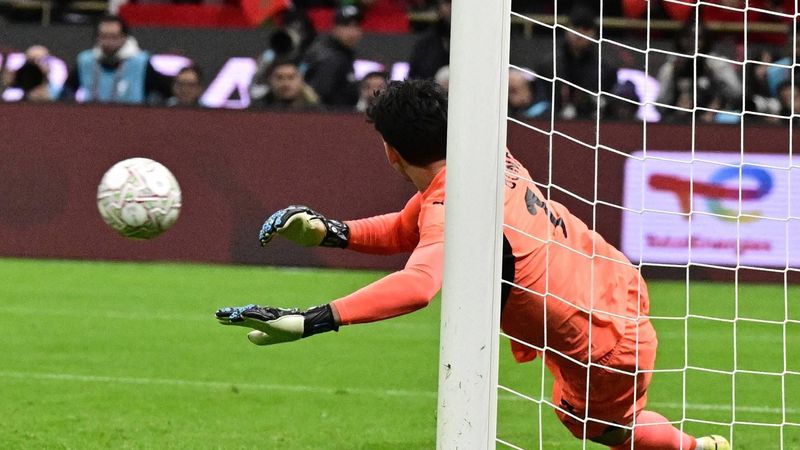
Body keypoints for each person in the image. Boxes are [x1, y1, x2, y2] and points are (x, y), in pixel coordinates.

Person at [215, 79, 730, 450]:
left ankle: (696, 449)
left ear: (390, 154)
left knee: (599, 428)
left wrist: (311, 321)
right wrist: (331, 232)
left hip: (604, 342)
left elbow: (419, 285)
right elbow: (404, 229)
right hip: (608, 280)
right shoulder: (483, 152)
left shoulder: (450, 204)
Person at [61, 15, 172, 104]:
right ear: (97, 38)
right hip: (92, 120)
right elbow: (66, 93)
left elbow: (166, 92)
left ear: (124, 37)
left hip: (132, 122)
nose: (108, 42)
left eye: (114, 37)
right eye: (104, 36)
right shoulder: (85, 61)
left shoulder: (141, 62)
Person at [301, 5, 363, 107]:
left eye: (356, 26)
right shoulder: (328, 56)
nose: (352, 32)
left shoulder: (345, 53)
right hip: (329, 118)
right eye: (346, 25)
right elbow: (319, 95)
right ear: (334, 28)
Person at [253, 58, 321, 110]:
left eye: (291, 77)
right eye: (279, 78)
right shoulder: (257, 110)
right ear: (270, 80)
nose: (286, 83)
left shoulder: (316, 112)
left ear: (301, 80)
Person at [407, 0, 450, 80]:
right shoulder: (426, 43)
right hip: (430, 86)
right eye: (447, 3)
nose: (451, 8)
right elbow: (415, 75)